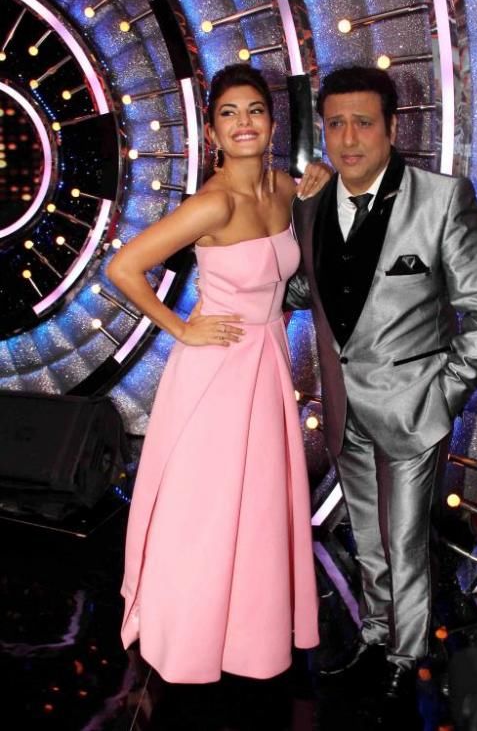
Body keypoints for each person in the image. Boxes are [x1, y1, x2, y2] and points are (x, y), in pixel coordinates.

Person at [286, 66, 477, 700]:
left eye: (363, 122)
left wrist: (447, 392)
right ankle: (376, 632)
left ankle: (406, 656)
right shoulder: (312, 203)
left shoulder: (441, 199)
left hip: (415, 405)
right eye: (335, 124)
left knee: (405, 539)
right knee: (366, 533)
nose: (348, 138)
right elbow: (310, 288)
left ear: (391, 127)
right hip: (342, 403)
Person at [108, 64, 330, 684]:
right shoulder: (213, 203)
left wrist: (319, 181)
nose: (243, 123)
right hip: (215, 370)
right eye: (228, 114)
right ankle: (188, 637)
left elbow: (309, 231)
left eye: (254, 110)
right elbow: (124, 267)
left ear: (273, 122)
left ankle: (247, 638)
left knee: (256, 507)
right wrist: (180, 328)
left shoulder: (283, 188)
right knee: (206, 508)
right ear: (211, 132)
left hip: (267, 361)